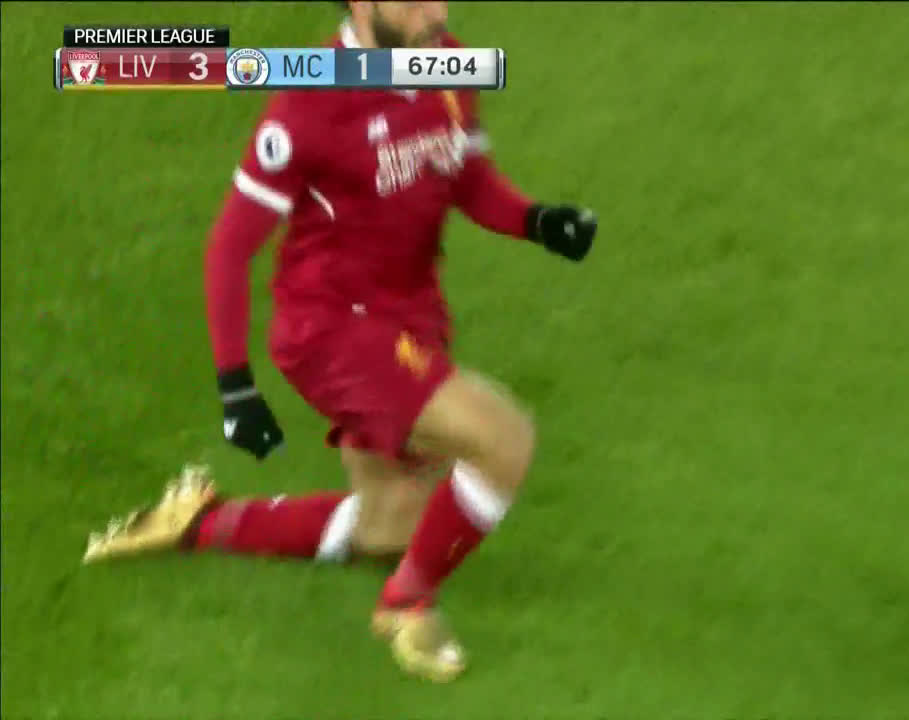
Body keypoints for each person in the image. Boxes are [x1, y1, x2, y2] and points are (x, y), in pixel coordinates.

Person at [81, 1, 596, 684]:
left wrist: (536, 220)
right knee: (503, 440)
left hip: (413, 312)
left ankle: (199, 523)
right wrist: (236, 388)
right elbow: (229, 248)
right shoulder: (309, 106)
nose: (436, 12)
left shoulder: (446, 61)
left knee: (393, 529)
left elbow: (465, 174)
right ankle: (406, 605)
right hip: (334, 329)